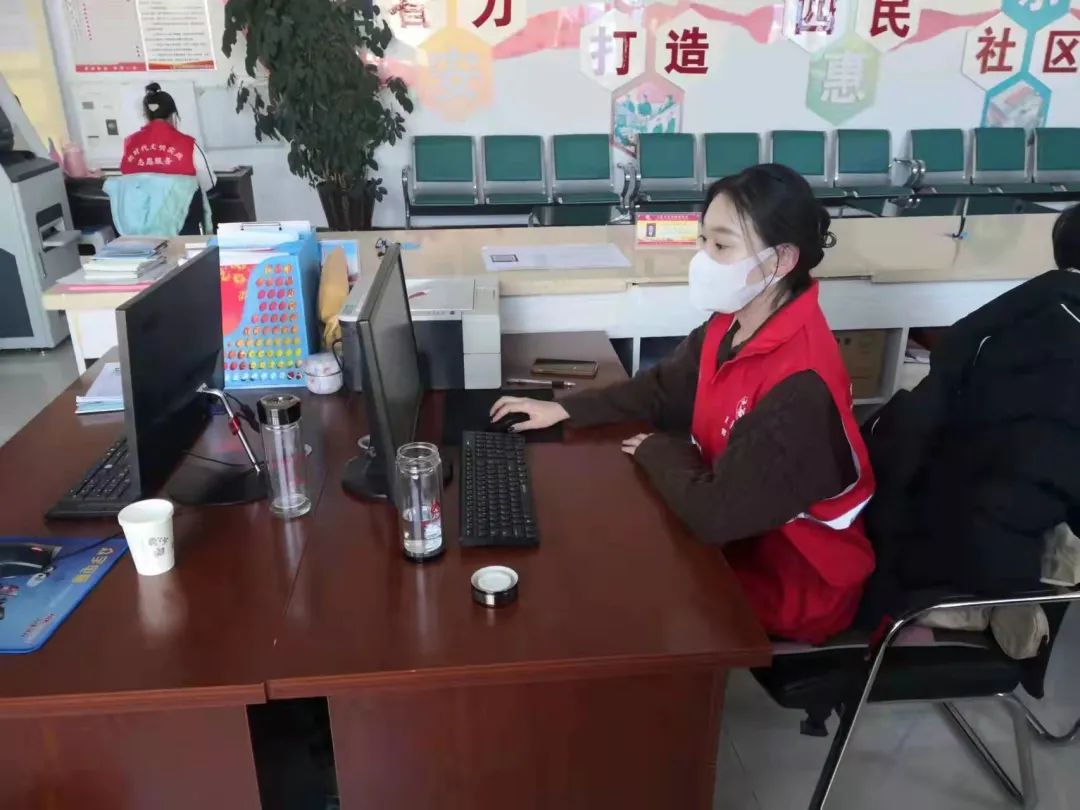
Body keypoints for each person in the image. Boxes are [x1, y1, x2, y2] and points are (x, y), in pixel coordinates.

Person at [491, 164, 876, 643]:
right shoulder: (735, 320)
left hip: (792, 582)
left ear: (781, 260)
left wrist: (657, 449)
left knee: (605, 596)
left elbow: (716, 516)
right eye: (703, 240)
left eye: (722, 246)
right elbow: (662, 387)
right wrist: (567, 408)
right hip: (738, 541)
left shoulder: (801, 386)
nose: (703, 259)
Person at [121, 83, 215, 193]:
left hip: (140, 204)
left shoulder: (130, 143)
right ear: (174, 115)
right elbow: (209, 182)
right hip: (181, 204)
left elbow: (128, 181)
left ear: (145, 116)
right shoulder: (188, 145)